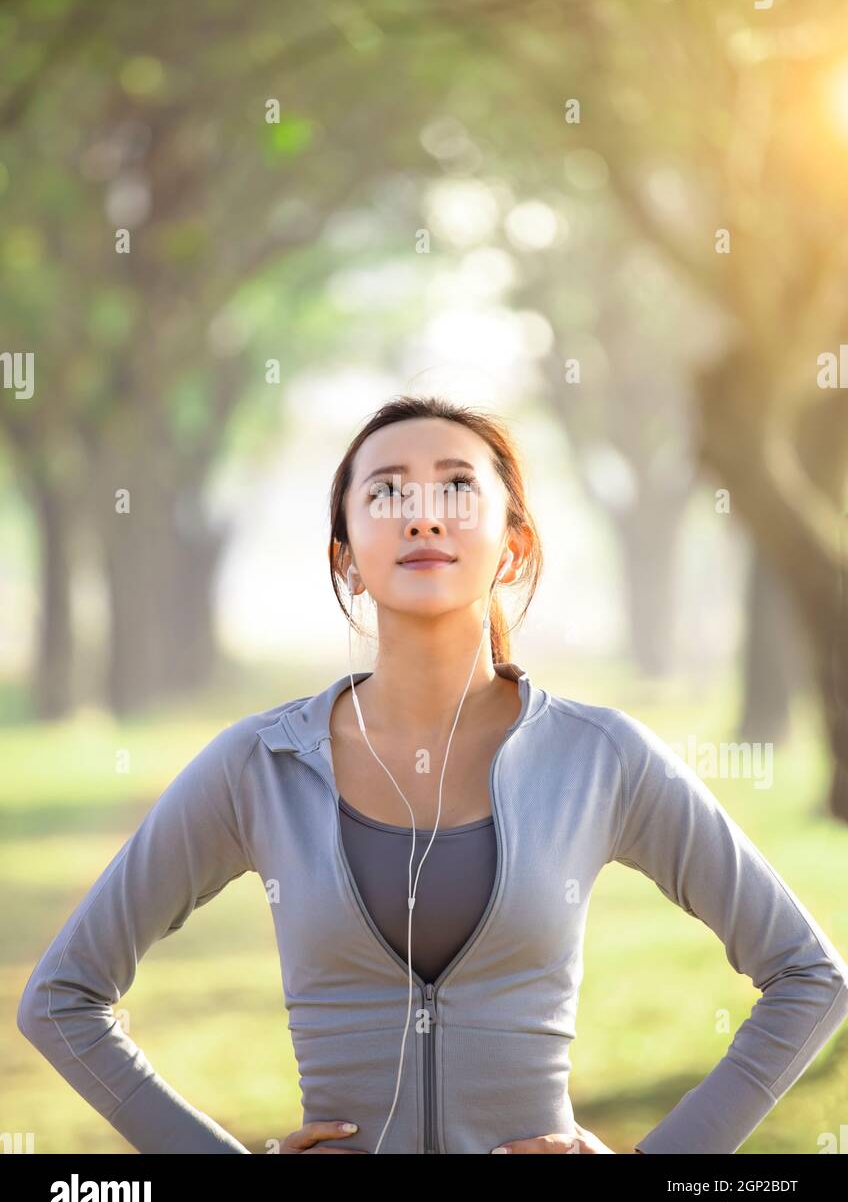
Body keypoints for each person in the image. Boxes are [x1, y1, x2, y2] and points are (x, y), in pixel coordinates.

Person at [17, 394, 848, 1154]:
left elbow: (809, 977)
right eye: (385, 493)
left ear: (513, 548)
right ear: (345, 557)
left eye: (456, 489)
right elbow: (62, 999)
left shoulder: (602, 756)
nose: (422, 518)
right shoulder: (258, 766)